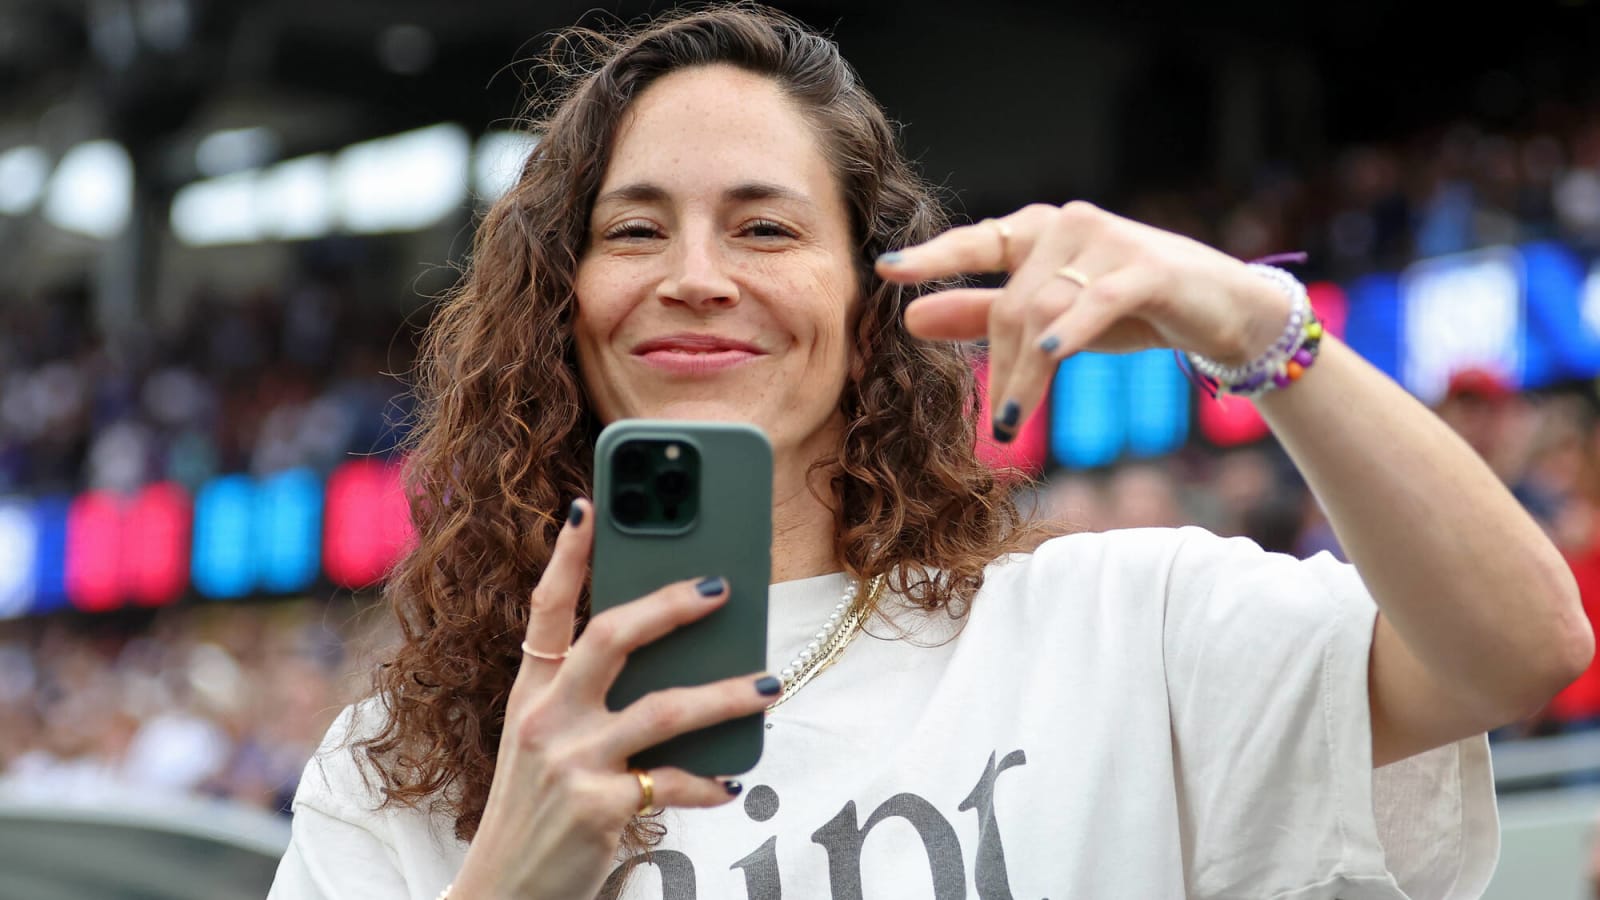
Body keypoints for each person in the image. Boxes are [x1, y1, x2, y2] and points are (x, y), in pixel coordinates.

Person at [268, 6, 1592, 899]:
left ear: (867, 301)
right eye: (633, 232)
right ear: (561, 303)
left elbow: (1517, 649)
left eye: (767, 230)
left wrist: (1253, 320)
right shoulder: (409, 768)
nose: (696, 277)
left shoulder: (1107, 630)